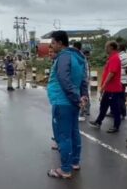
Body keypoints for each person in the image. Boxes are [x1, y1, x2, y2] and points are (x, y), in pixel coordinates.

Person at [47, 31, 88, 179]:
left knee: (63, 136)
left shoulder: (63, 57)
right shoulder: (77, 56)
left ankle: (65, 169)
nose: (51, 46)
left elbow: (64, 80)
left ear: (59, 42)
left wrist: (77, 98)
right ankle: (75, 162)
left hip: (62, 102)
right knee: (73, 132)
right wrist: (83, 97)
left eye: (52, 43)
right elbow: (83, 80)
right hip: (72, 102)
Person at [89, 41, 123, 133]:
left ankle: (116, 126)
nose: (105, 49)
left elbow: (112, 73)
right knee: (103, 106)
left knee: (115, 108)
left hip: (113, 89)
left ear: (111, 47)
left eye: (106, 47)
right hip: (109, 88)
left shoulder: (115, 58)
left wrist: (103, 85)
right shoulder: (112, 58)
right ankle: (98, 122)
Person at [73, 42, 91, 122]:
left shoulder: (77, 56)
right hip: (83, 78)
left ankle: (82, 112)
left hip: (81, 79)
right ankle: (86, 110)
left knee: (81, 95)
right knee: (84, 94)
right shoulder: (82, 56)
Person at [119, 44, 127, 118]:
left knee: (119, 97)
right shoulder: (125, 55)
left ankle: (122, 112)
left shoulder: (120, 56)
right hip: (124, 80)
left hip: (120, 80)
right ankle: (123, 112)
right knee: (121, 97)